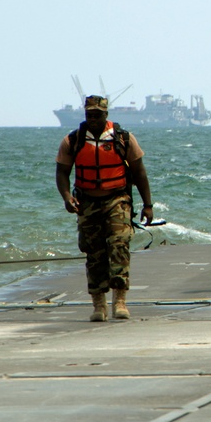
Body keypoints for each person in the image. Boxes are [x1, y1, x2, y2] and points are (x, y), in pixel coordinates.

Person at [56, 95, 153, 322]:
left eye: (97, 115)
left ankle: (120, 301)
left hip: (117, 199)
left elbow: (140, 172)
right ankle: (98, 304)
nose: (93, 119)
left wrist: (148, 205)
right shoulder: (73, 140)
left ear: (106, 115)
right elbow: (62, 172)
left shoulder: (123, 139)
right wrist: (67, 196)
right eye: (89, 115)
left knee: (119, 245)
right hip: (87, 203)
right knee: (94, 252)